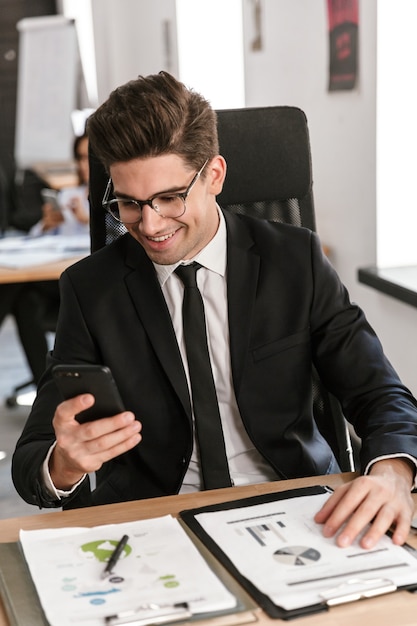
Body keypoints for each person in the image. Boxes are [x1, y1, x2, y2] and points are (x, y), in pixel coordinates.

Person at [12, 72, 417, 552]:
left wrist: (395, 472)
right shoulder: (90, 288)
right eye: (128, 202)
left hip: (296, 507)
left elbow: (381, 393)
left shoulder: (295, 261)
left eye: (169, 198)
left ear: (215, 176)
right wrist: (65, 464)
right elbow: (33, 455)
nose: (150, 224)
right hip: (159, 521)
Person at [0, 133, 89, 385]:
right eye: (80, 158)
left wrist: (87, 220)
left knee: (15, 288)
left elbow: (115, 240)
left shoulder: (114, 200)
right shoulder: (69, 195)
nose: (85, 164)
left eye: (90, 157)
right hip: (53, 281)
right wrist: (47, 225)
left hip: (84, 286)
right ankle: (47, 388)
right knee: (25, 300)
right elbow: (39, 239)